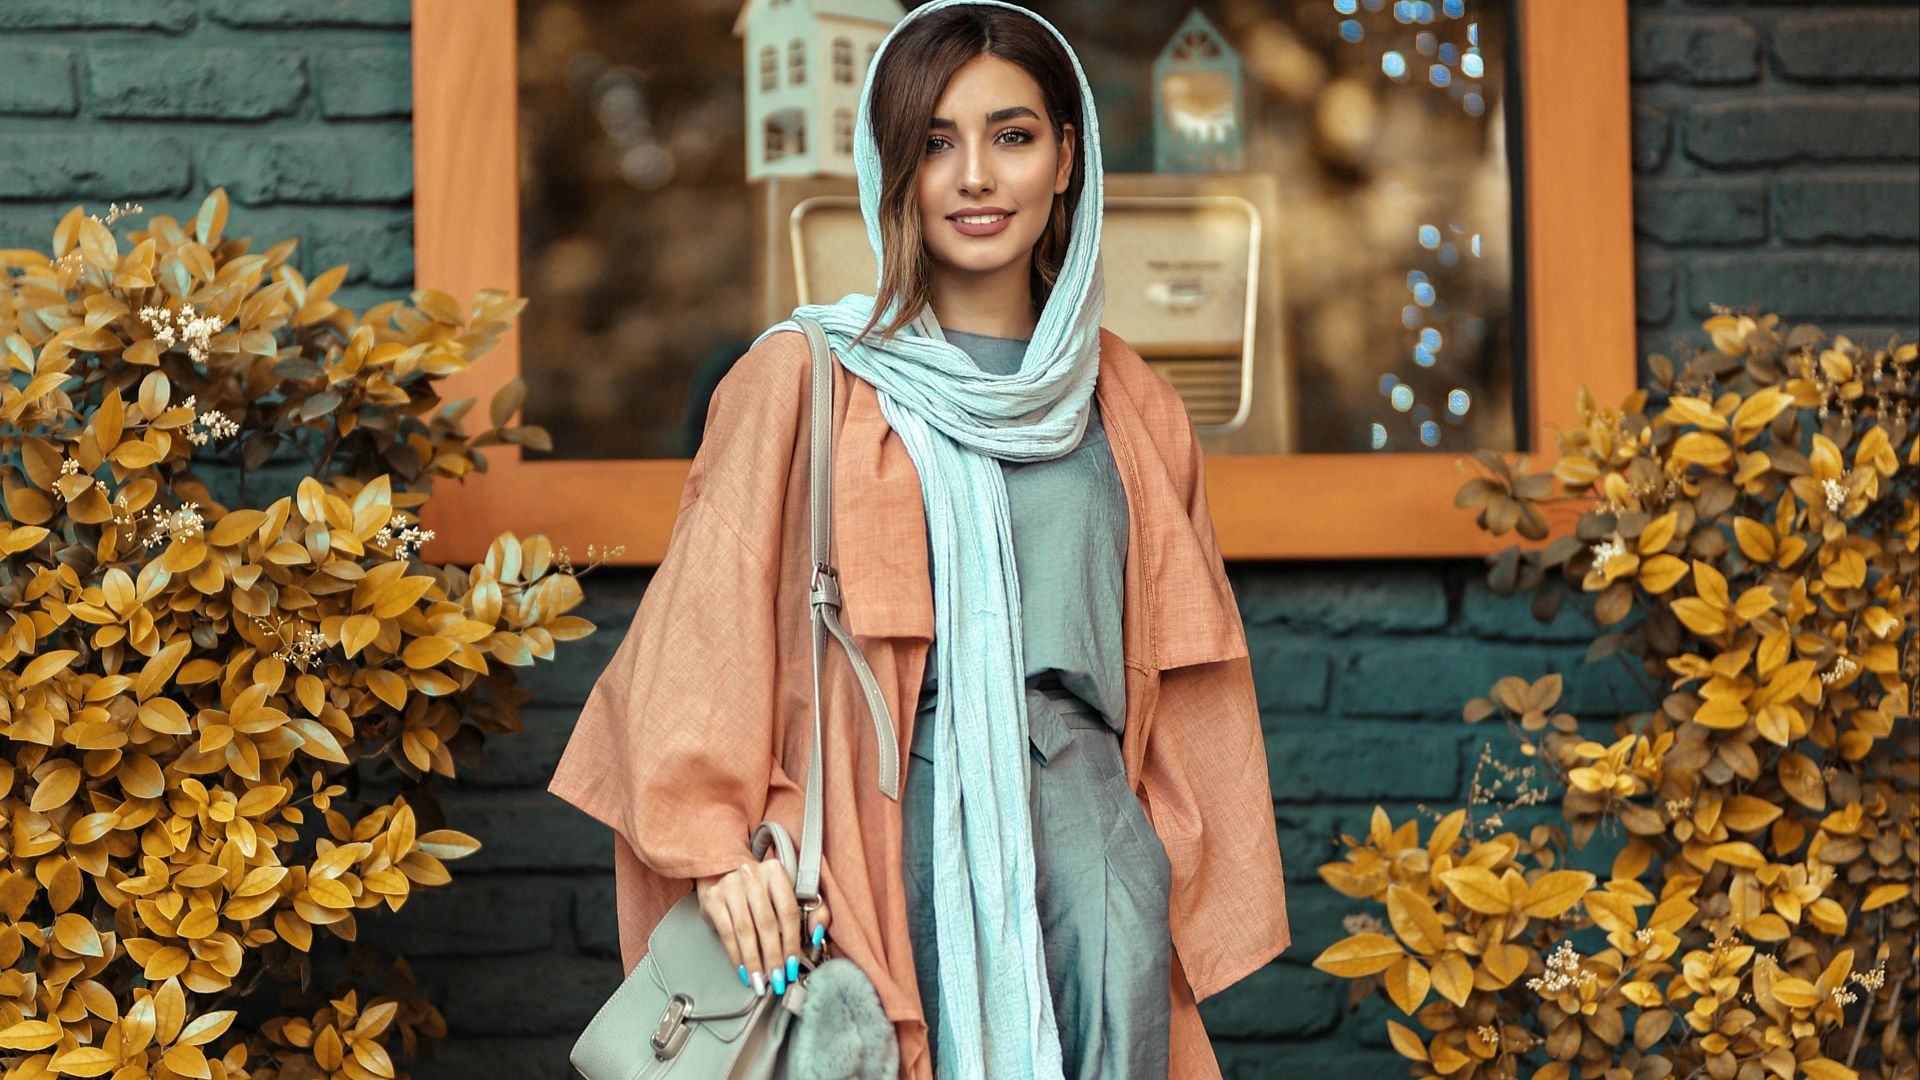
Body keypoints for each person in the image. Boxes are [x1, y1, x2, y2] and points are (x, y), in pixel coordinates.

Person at [547, 3, 1291, 1077]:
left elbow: (1189, 677)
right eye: (936, 142)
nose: (976, 175)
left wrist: (1150, 859)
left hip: (1092, 854)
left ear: (1068, 157)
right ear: (892, 166)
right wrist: (716, 850)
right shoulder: (802, 379)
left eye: (1013, 135)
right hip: (881, 831)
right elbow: (698, 632)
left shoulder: (1130, 401)